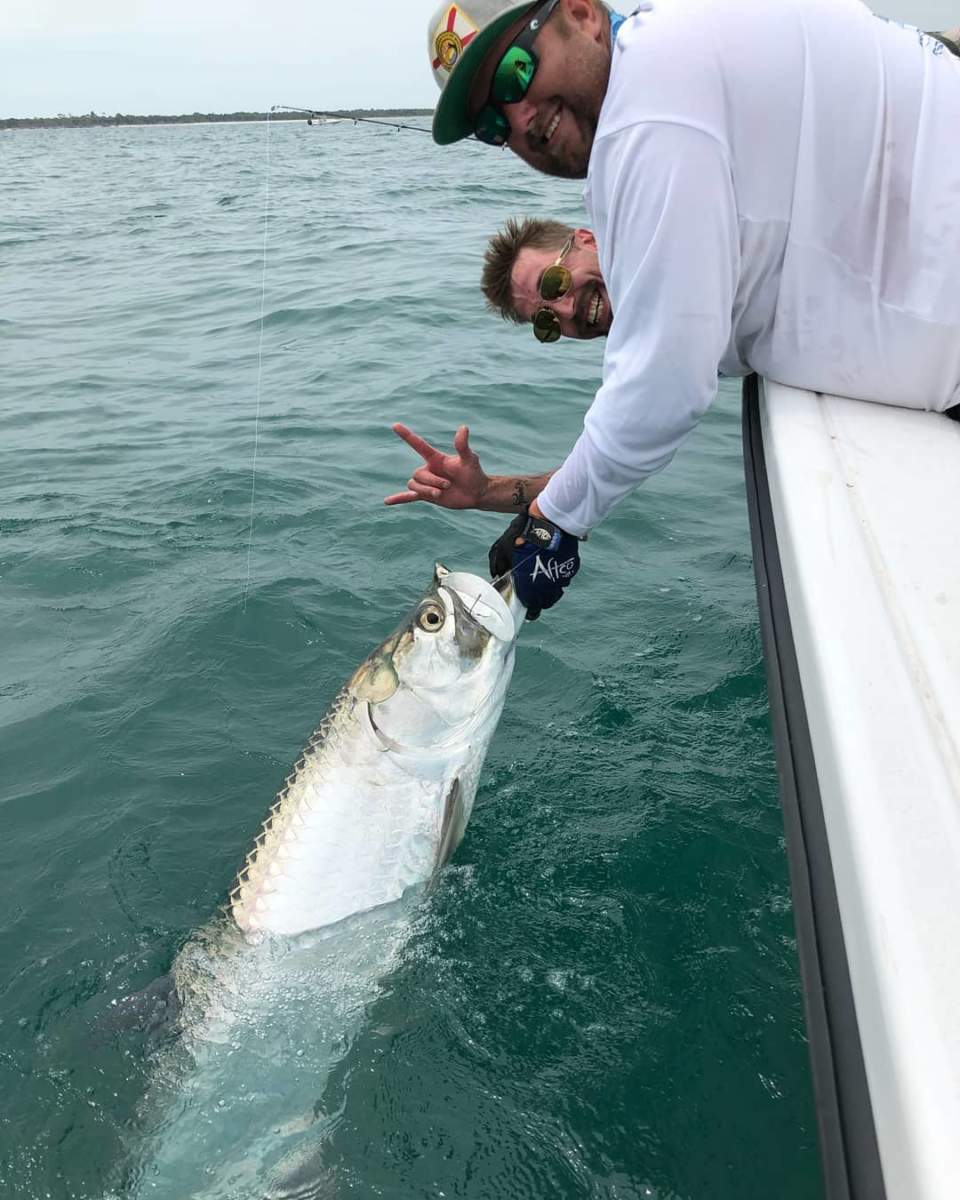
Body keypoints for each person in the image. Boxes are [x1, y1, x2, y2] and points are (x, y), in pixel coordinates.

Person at [397, 0, 960, 620]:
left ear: (582, 13)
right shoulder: (671, 99)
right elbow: (633, 421)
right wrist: (494, 496)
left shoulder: (645, 107)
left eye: (514, 75)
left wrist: (557, 522)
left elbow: (662, 386)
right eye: (493, 128)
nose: (520, 119)